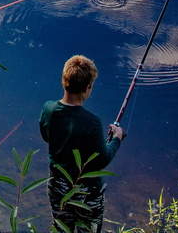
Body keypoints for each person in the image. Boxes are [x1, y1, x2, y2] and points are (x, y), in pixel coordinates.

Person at [38, 55, 125, 233]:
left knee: (62, 229)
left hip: (58, 186)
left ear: (64, 81)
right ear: (87, 88)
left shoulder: (48, 109)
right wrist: (116, 139)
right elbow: (101, 160)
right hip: (88, 193)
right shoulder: (92, 122)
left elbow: (47, 136)